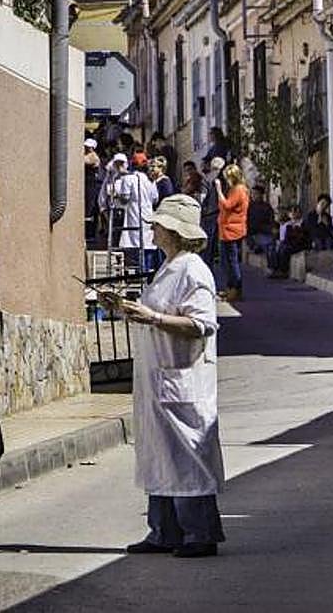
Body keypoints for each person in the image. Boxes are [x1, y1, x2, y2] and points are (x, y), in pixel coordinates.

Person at [113, 194, 224, 558]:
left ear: (175, 231)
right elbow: (156, 311)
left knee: (187, 456)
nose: (153, 229)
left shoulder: (193, 271)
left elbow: (202, 324)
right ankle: (164, 531)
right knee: (160, 455)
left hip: (181, 380)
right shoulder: (169, 267)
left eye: (158, 225)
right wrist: (127, 309)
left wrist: (154, 318)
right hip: (159, 380)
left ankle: (199, 533)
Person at [113, 153, 159, 272]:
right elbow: (155, 199)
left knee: (135, 249)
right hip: (148, 216)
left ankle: (139, 276)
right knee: (147, 249)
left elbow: (125, 198)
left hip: (134, 217)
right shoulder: (150, 180)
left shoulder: (128, 179)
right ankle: (146, 276)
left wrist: (117, 196)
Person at [215, 163, 250, 302]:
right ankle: (230, 287)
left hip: (232, 230)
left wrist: (219, 191)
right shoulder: (235, 189)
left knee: (231, 261)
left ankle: (235, 289)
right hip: (227, 229)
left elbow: (227, 205)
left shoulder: (238, 190)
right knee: (226, 261)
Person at [267, 204, 308, 279]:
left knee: (284, 249)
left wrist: (295, 229)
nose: (293, 213)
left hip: (298, 245)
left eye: (295, 211)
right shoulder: (288, 224)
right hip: (288, 243)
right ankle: (274, 269)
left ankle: (283, 271)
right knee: (272, 247)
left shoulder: (302, 223)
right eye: (291, 211)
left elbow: (300, 237)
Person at [199, 157, 225, 270]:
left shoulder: (207, 179)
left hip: (209, 214)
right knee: (212, 244)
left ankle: (207, 267)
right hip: (215, 214)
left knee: (208, 245)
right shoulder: (219, 179)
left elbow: (202, 197)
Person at [99, 152, 130, 248]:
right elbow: (103, 194)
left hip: (127, 211)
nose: (119, 166)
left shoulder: (130, 177)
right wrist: (103, 208)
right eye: (117, 163)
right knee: (114, 234)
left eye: (121, 163)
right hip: (114, 210)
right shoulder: (110, 178)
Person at [246, 185, 276, 256]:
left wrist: (270, 229)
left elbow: (271, 221)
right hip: (252, 234)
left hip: (264, 233)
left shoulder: (267, 207)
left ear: (261, 195)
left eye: (256, 193)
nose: (253, 195)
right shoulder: (249, 207)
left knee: (271, 245)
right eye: (252, 193)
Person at [84, 138, 104, 243]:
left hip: (92, 184)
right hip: (88, 184)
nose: (87, 148)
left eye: (89, 147)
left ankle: (90, 233)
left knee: (90, 208)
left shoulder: (93, 156)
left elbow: (85, 161)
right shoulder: (87, 154)